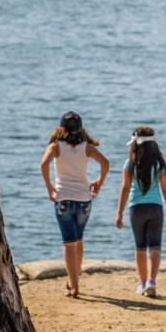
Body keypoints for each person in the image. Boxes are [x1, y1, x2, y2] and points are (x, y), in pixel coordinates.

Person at [40, 111, 110, 298]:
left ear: (61, 128)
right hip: (83, 199)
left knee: (69, 243)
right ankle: (73, 280)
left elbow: (43, 164)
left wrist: (49, 187)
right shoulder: (86, 147)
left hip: (63, 197)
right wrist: (99, 183)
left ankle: (74, 287)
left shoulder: (56, 147)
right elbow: (105, 163)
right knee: (78, 240)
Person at [114, 126, 166, 298]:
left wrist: (119, 212)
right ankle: (151, 281)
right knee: (155, 246)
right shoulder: (159, 164)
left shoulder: (130, 164)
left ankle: (142, 284)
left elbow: (125, 188)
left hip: (136, 208)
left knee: (140, 247)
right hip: (155, 207)